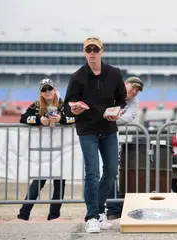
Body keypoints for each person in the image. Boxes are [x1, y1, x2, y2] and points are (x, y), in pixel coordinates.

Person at [63, 36, 127, 233]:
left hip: (108, 129)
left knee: (111, 171)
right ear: (84, 52)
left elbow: (122, 99)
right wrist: (73, 110)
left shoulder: (114, 73)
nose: (92, 52)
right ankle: (91, 216)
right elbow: (67, 106)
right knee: (92, 173)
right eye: (88, 49)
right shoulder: (77, 77)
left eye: (95, 49)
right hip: (87, 130)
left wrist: (118, 111)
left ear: (102, 51)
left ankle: (100, 212)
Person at [17, 78, 75, 221]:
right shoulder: (36, 106)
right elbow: (23, 118)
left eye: (50, 89)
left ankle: (54, 216)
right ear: (41, 92)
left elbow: (74, 119)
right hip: (43, 150)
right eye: (44, 89)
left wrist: (60, 119)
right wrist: (39, 120)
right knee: (38, 181)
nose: (47, 92)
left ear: (55, 90)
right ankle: (24, 213)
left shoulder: (64, 105)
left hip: (62, 149)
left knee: (59, 182)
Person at [106, 76, 143, 220]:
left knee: (111, 171)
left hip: (111, 135)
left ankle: (113, 208)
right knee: (94, 173)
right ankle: (99, 209)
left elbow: (128, 117)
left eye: (137, 90)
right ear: (124, 84)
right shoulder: (110, 91)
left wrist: (110, 118)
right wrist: (111, 117)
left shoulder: (135, 101)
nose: (134, 92)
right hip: (94, 134)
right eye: (132, 87)